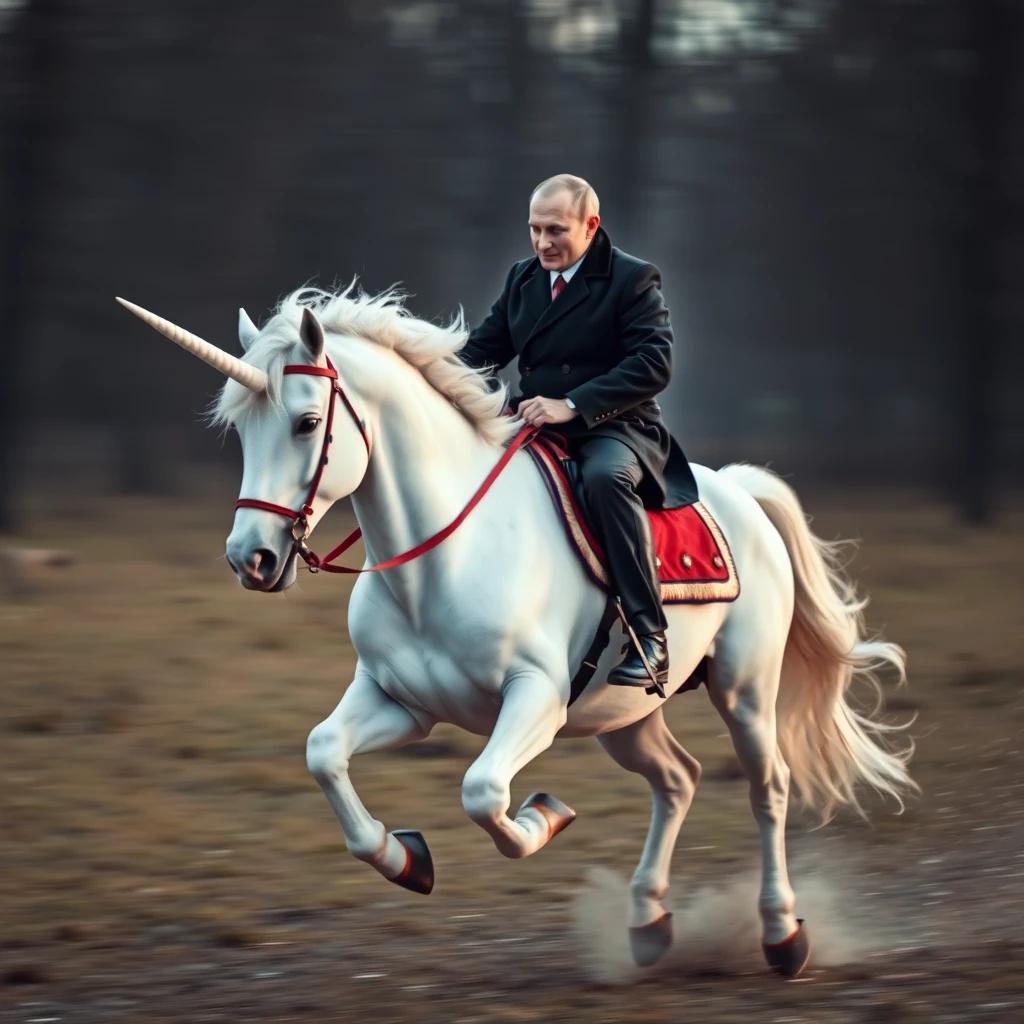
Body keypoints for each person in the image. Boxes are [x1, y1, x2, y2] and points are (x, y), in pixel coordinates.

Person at [459, 173, 698, 689]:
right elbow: (480, 354)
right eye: (534, 229)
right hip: (533, 424)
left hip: (617, 428)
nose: (543, 243)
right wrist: (419, 372)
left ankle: (650, 637)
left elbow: (655, 363)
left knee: (606, 480)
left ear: (590, 225)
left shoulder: (633, 278)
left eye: (556, 230)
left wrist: (572, 403)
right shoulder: (521, 278)